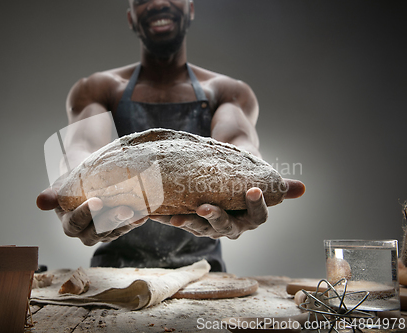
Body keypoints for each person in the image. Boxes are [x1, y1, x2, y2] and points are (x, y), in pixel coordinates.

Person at [36, 0, 305, 272]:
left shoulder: (226, 91)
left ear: (190, 9)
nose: (158, 2)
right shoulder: (97, 89)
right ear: (131, 18)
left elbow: (237, 147)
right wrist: (69, 182)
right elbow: (83, 146)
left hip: (203, 274)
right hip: (114, 276)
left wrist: (253, 188)